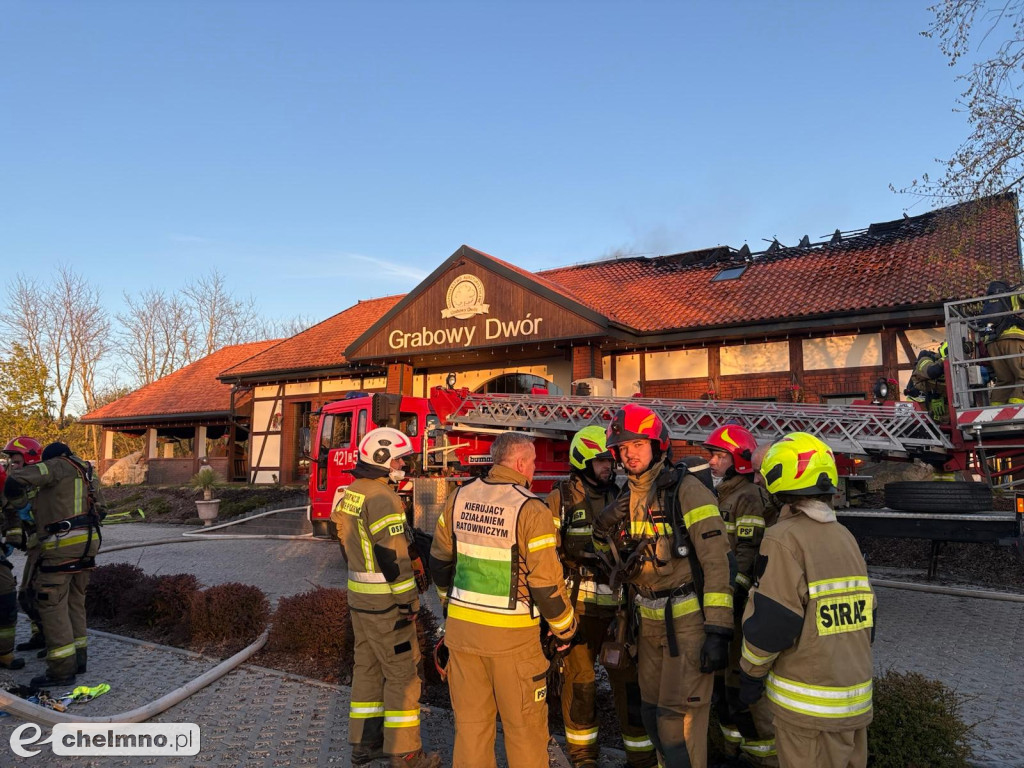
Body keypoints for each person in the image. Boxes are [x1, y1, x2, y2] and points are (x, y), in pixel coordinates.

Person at [592, 403, 733, 768]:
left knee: (679, 729)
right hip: (646, 624)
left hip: (686, 628)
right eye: (622, 448)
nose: (628, 454)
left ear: (658, 445)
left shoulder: (684, 490)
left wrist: (718, 629)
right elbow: (607, 557)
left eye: (637, 445)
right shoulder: (630, 494)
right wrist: (604, 525)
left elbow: (717, 560)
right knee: (653, 717)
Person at [429, 431, 577, 768]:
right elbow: (545, 586)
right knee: (524, 732)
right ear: (521, 462)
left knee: (471, 731)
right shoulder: (530, 508)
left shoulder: (458, 498)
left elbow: (439, 561)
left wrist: (448, 607)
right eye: (534, 462)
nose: (535, 469)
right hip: (514, 644)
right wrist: (565, 629)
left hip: (463, 638)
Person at [738, 433, 875, 768]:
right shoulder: (844, 535)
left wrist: (750, 674)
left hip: (807, 710)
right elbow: (868, 615)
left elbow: (774, 621)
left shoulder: (783, 538)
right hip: (853, 701)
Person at [545, 426, 655, 768]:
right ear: (582, 462)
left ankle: (640, 758)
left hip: (620, 613)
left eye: (610, 460)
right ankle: (583, 758)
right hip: (578, 610)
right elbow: (545, 556)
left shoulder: (622, 496)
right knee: (581, 685)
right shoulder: (561, 499)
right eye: (601, 461)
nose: (610, 466)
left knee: (629, 685)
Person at [335, 427, 440, 768]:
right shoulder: (383, 498)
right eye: (399, 459)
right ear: (381, 459)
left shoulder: (352, 491)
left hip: (360, 601)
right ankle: (405, 753)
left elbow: (348, 545)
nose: (403, 465)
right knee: (402, 676)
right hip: (386, 605)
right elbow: (392, 556)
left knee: (366, 669)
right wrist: (409, 601)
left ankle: (365, 746)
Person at [703, 426, 778, 766]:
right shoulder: (723, 494)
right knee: (723, 685)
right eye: (712, 455)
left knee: (737, 683)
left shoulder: (746, 496)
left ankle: (756, 755)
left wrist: (734, 594)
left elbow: (747, 550)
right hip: (721, 602)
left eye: (719, 455)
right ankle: (733, 749)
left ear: (740, 461)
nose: (712, 461)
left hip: (737, 604)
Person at [6, 442, 102, 687]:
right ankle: (79, 659)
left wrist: (19, 505)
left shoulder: (57, 466)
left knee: (51, 603)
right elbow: (102, 511)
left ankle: (61, 670)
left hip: (62, 547)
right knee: (74, 601)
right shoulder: (87, 472)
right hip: (89, 545)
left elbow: (14, 482)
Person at [2, 436, 45, 654]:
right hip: (34, 546)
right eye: (11, 462)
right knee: (29, 594)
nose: (13, 467)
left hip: (46, 546)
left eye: (17, 462)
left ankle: (49, 637)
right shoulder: (15, 484)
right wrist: (14, 540)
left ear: (30, 461)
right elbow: (12, 516)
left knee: (31, 594)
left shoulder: (42, 484)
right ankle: (39, 635)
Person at [980, 280, 1024, 404]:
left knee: (1004, 380)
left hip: (993, 343)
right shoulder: (1018, 291)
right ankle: (1016, 411)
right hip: (1014, 339)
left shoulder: (991, 302)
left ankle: (996, 412)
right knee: (1022, 376)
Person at [903, 345, 949, 421]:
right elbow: (933, 371)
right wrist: (947, 359)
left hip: (936, 413)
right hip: (917, 408)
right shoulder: (925, 359)